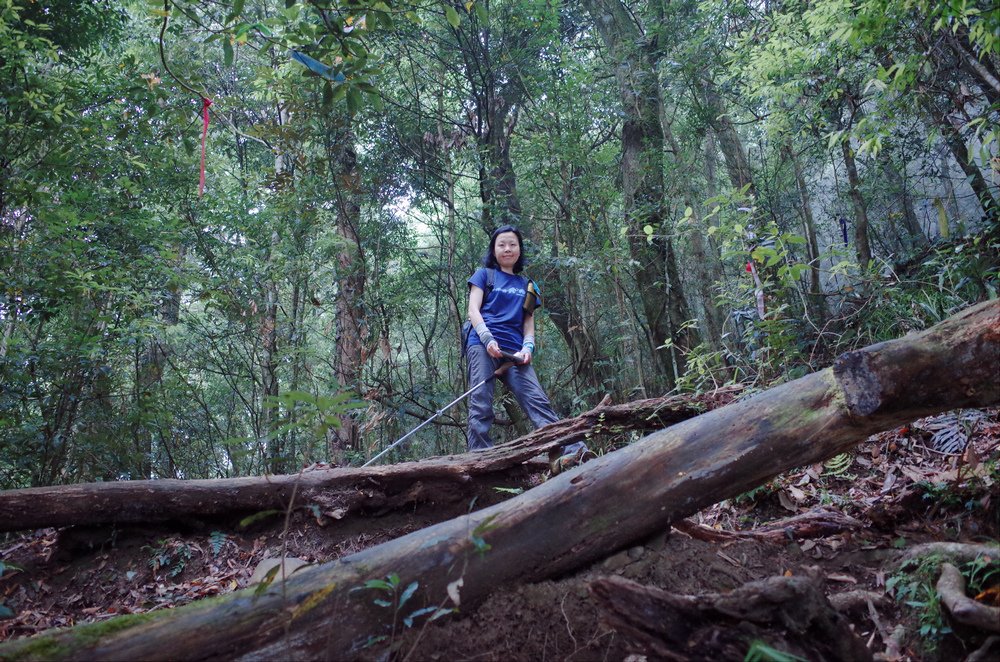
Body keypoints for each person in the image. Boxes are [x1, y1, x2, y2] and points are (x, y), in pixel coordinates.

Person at [465, 225, 592, 474]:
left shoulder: (528, 285)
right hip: (482, 343)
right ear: (494, 249)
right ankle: (480, 460)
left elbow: (528, 324)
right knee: (480, 403)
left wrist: (528, 347)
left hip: (514, 352)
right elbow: (473, 310)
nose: (507, 249)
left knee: (538, 401)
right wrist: (488, 338)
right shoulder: (483, 275)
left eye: (512, 244)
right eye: (501, 244)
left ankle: (572, 452)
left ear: (520, 249)